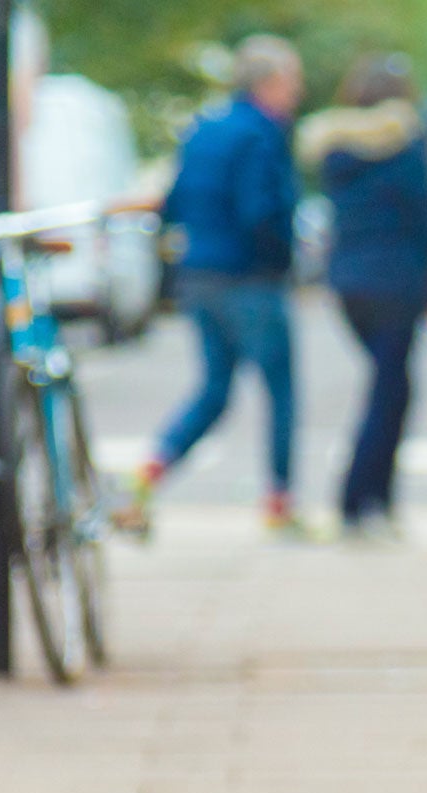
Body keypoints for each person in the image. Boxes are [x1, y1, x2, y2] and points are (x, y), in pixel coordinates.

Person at [124, 35, 304, 538]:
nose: (296, 92)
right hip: (250, 278)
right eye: (292, 81)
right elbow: (261, 212)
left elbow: (175, 202)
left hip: (199, 276)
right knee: (281, 392)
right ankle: (279, 503)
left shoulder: (203, 130)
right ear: (269, 83)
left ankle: (147, 474)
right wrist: (283, 260)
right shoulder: (261, 134)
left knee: (214, 390)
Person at [298, 54, 427, 539]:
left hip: (349, 284)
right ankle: (361, 503)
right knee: (391, 391)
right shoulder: (406, 146)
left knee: (389, 387)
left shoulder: (335, 149)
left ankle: (372, 502)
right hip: (397, 283)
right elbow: (423, 215)